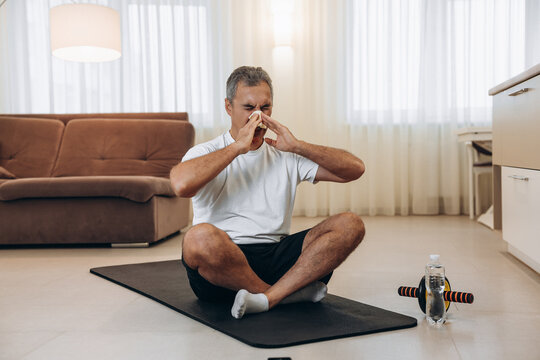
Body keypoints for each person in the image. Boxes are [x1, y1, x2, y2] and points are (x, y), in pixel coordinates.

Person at [170, 66, 365, 319]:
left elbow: (354, 170)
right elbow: (180, 185)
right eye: (249, 108)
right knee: (197, 238)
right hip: (222, 266)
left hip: (277, 258)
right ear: (229, 107)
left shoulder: (285, 153)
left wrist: (298, 145)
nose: (258, 117)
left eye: (265, 107)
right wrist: (237, 147)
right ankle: (284, 295)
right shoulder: (208, 151)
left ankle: (267, 299)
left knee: (351, 224)